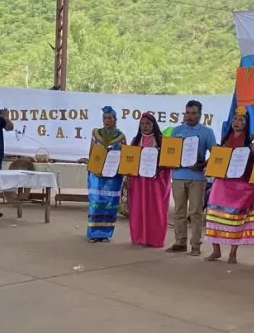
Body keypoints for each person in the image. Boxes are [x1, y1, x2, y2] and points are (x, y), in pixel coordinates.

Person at [204, 106, 254, 263]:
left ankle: (233, 253)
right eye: (235, 119)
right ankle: (216, 250)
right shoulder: (225, 138)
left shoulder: (251, 141)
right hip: (222, 183)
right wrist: (207, 165)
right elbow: (217, 157)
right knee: (214, 215)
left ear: (246, 123)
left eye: (241, 120)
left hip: (241, 186)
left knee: (236, 219)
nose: (237, 122)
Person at [167, 100, 217, 256]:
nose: (189, 116)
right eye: (187, 113)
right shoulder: (176, 130)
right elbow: (170, 153)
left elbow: (215, 153)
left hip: (197, 177)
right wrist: (171, 162)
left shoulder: (207, 132)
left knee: (195, 212)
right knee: (179, 212)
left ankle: (196, 245)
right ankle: (180, 242)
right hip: (178, 175)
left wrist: (203, 165)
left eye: (193, 113)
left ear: (200, 115)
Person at [127, 112, 171, 247]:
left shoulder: (161, 140)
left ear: (154, 125)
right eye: (142, 124)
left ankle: (154, 239)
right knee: (138, 207)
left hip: (155, 181)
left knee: (155, 208)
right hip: (139, 181)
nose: (145, 126)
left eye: (148, 123)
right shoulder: (136, 140)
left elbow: (167, 161)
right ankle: (139, 237)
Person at [85, 106, 126, 242]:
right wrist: (92, 167)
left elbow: (124, 155)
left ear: (115, 119)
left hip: (113, 176)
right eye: (105, 118)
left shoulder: (120, 136)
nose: (107, 121)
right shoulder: (96, 133)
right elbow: (91, 152)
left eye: (110, 118)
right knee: (96, 202)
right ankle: (93, 233)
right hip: (96, 173)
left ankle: (105, 233)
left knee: (110, 203)